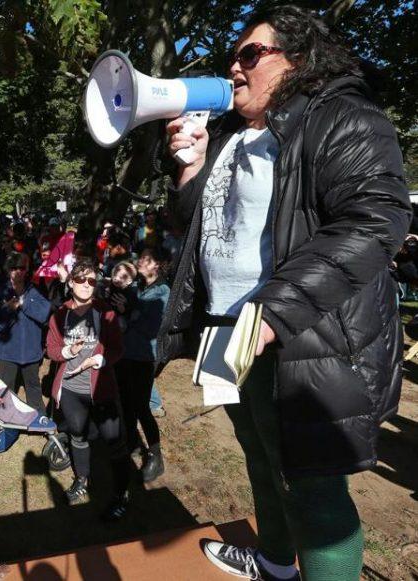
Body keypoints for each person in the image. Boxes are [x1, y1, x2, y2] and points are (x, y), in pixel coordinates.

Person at [161, 6, 410, 579]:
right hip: (228, 330)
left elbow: (376, 220)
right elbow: (199, 223)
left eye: (251, 54)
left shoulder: (342, 115)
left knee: (313, 489)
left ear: (299, 61)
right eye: (234, 54)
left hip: (300, 333)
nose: (234, 65)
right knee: (260, 459)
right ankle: (274, 563)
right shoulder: (229, 133)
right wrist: (191, 166)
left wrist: (275, 312)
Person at [46, 259, 133, 520]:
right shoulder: (60, 315)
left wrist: (100, 360)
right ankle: (82, 480)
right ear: (71, 282)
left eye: (92, 280)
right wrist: (66, 351)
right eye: (81, 279)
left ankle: (121, 494)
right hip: (72, 389)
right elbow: (51, 350)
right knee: (78, 436)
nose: (86, 285)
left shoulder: (105, 313)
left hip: (101, 390)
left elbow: (117, 348)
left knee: (114, 442)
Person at [116, 248, 169, 482]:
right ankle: (132, 445)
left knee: (141, 408)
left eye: (146, 259)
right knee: (126, 404)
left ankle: (156, 458)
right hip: (126, 353)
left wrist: (128, 313)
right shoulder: (138, 288)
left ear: (157, 265)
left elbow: (150, 326)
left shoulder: (162, 291)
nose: (140, 261)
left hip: (144, 357)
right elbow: (131, 318)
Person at [0, 252, 51, 414]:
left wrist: (23, 304)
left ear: (27, 270)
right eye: (13, 268)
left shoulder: (34, 291)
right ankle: (3, 419)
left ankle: (39, 419)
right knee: (6, 389)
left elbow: (44, 315)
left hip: (30, 352)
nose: (18, 271)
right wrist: (8, 310)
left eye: (21, 268)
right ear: (8, 270)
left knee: (33, 387)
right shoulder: (0, 293)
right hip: (7, 352)